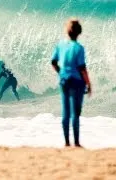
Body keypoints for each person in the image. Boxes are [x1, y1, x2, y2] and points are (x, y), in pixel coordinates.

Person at [51, 18, 92, 147]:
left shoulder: (60, 45)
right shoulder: (79, 48)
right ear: (79, 32)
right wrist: (89, 83)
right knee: (76, 113)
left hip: (64, 80)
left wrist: (61, 73)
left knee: (66, 112)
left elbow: (53, 62)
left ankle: (67, 143)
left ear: (67, 31)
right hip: (77, 82)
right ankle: (77, 143)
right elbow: (81, 68)